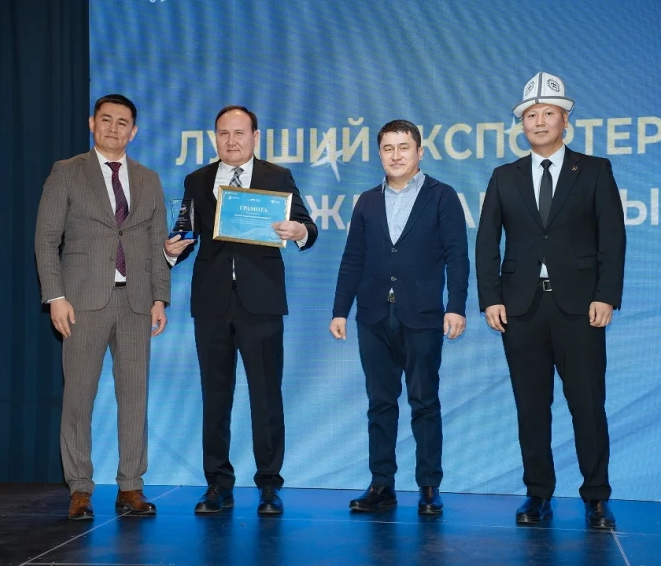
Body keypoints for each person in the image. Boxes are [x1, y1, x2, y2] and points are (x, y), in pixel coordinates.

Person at [475, 72, 626, 529]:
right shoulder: (504, 176)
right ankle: (537, 493)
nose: (539, 122)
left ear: (565, 121)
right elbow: (486, 242)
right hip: (521, 309)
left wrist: (606, 295)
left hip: (580, 308)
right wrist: (490, 298)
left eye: (548, 113)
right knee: (531, 406)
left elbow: (612, 238)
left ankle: (596, 496)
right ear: (522, 124)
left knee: (587, 404)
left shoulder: (594, 170)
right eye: (531, 115)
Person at [164, 105, 318, 515]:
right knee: (215, 397)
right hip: (211, 303)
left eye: (239, 133)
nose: (231, 141)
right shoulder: (197, 180)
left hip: (261, 303)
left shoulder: (277, 177)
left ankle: (269, 485)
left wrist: (299, 231)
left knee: (266, 396)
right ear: (215, 137)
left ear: (255, 137)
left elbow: (308, 226)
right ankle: (217, 484)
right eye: (223, 133)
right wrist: (170, 250)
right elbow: (185, 232)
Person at [35, 94, 170, 521]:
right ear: (92, 124)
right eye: (106, 120)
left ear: (134, 131)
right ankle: (79, 488)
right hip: (82, 303)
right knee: (78, 397)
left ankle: (131, 486)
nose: (114, 128)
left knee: (134, 398)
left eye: (122, 122)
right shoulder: (67, 171)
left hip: (135, 302)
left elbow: (156, 242)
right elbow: (46, 239)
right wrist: (55, 297)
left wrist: (159, 297)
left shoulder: (149, 179)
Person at [330, 119, 469, 515]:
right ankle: (382, 484)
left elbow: (457, 256)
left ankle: (429, 486)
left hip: (422, 315)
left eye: (403, 147)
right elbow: (352, 259)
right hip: (373, 316)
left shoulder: (442, 196)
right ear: (379, 155)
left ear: (419, 152)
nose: (396, 155)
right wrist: (340, 311)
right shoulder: (366, 201)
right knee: (380, 403)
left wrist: (456, 305)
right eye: (388, 148)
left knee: (424, 402)